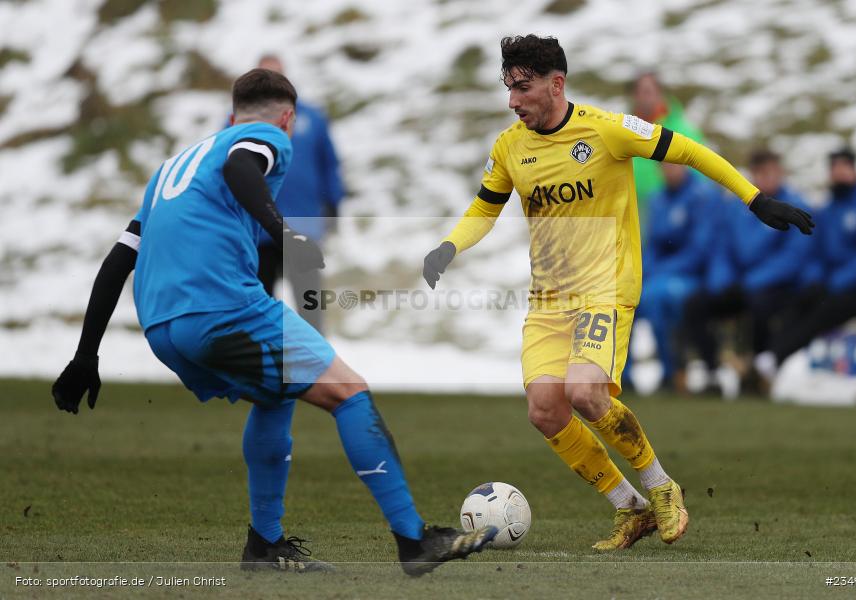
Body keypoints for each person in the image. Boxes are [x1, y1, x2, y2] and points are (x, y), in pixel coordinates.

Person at [51, 68, 495, 576]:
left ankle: (264, 544)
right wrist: (285, 234)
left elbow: (118, 259)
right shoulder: (265, 138)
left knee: (275, 393)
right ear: (287, 118)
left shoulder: (172, 168)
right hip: (222, 308)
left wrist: (85, 355)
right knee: (349, 392)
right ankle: (413, 540)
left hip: (162, 327)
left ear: (230, 113)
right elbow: (242, 166)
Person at [422, 35, 813, 551]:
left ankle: (662, 488)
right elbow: (484, 209)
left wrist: (754, 198)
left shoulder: (606, 130)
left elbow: (688, 150)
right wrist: (449, 246)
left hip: (605, 287)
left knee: (585, 392)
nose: (512, 100)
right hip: (549, 299)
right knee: (545, 410)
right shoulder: (510, 147)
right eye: (508, 88)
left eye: (522, 88)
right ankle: (630, 507)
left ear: (556, 84)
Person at [754, 148, 856, 382]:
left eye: (843, 168)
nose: (838, 173)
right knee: (803, 297)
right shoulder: (830, 206)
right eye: (834, 169)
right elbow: (817, 249)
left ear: (854, 169)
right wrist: (817, 277)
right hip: (836, 281)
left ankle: (775, 356)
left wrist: (838, 281)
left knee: (826, 307)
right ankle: (768, 357)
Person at [678, 150, 815, 396]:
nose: (766, 178)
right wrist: (723, 280)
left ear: (781, 173)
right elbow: (722, 248)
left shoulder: (795, 208)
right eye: (760, 173)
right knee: (695, 304)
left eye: (771, 172)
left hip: (776, 285)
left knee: (761, 306)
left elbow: (792, 258)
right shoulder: (737, 207)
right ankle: (712, 371)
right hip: (738, 282)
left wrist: (752, 281)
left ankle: (758, 372)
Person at [249, 54, 343, 333]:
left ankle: (316, 355)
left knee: (309, 301)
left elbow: (329, 164)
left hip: (303, 224)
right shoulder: (241, 120)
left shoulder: (311, 117)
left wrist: (333, 203)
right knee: (259, 301)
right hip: (258, 230)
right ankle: (265, 355)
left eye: (276, 74)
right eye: (264, 76)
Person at [636, 162, 720, 389]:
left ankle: (677, 370)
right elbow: (652, 244)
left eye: (674, 165)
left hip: (695, 275)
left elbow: (700, 249)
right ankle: (625, 376)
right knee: (629, 296)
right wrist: (647, 270)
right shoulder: (657, 199)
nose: (669, 170)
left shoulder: (703, 196)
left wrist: (662, 270)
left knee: (661, 297)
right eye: (664, 166)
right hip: (662, 275)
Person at [629, 72, 704, 221]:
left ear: (660, 93)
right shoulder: (625, 134)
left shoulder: (683, 131)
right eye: (640, 92)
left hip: (682, 217)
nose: (645, 97)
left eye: (649, 91)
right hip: (639, 220)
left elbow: (702, 175)